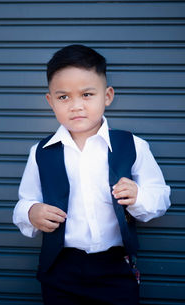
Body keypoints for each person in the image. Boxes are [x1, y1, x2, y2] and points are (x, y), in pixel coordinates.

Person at [13, 44, 171, 305]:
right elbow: (24, 202)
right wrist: (31, 212)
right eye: (64, 97)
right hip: (60, 269)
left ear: (107, 96)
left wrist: (138, 195)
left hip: (116, 268)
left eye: (87, 94)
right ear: (50, 101)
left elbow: (160, 198)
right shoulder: (40, 152)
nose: (76, 106)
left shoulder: (133, 146)